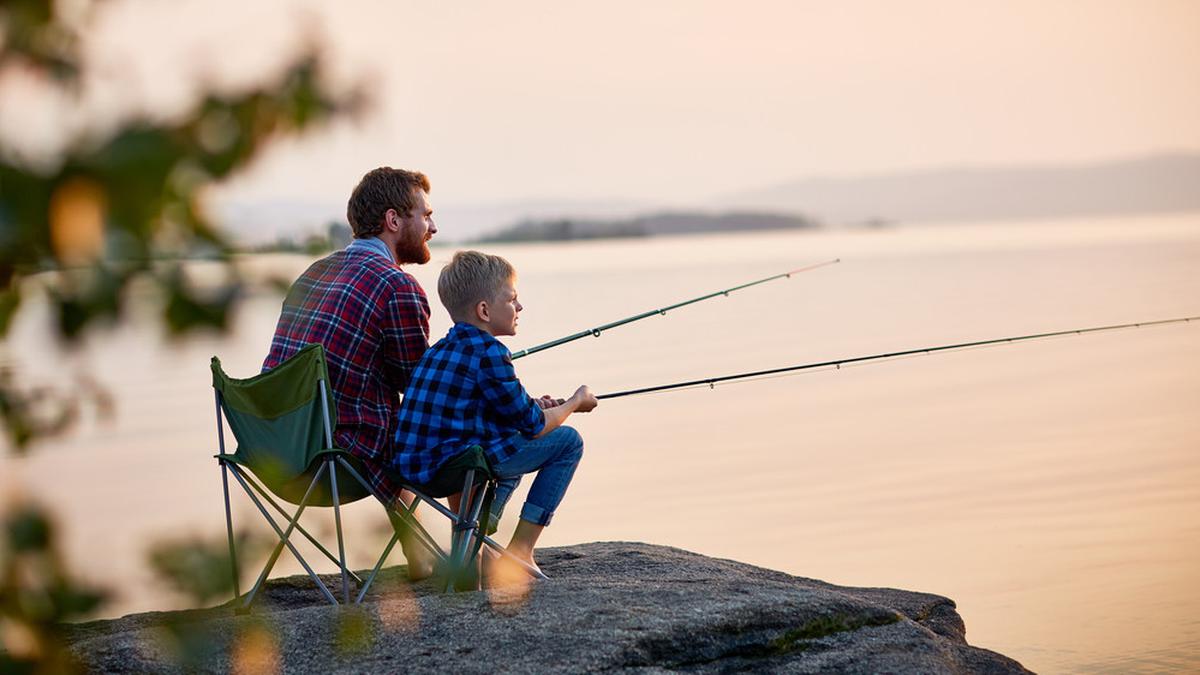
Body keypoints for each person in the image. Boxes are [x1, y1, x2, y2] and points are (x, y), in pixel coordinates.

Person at [263, 167, 438, 579]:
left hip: (274, 450)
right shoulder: (397, 286)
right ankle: (469, 557)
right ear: (393, 220)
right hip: (334, 461)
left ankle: (420, 555)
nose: (433, 227)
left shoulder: (313, 273)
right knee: (441, 421)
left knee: (380, 418)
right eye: (426, 215)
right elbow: (419, 391)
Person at [392, 250, 598, 576]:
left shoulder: (437, 351)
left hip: (414, 471)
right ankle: (520, 550)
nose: (520, 307)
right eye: (512, 299)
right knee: (568, 442)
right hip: (457, 469)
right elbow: (533, 425)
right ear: (484, 310)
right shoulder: (490, 352)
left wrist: (536, 404)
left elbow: (486, 405)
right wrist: (574, 402)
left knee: (509, 436)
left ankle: (475, 544)